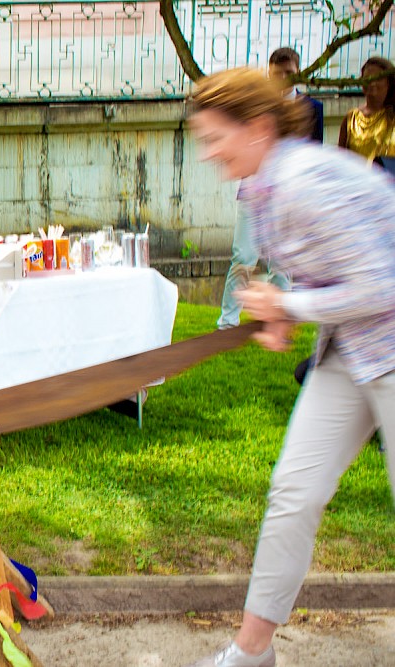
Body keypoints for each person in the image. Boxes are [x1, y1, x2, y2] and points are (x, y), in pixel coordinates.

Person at [185, 67, 395, 667]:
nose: (209, 153)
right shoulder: (263, 186)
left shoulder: (303, 179)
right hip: (350, 348)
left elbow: (382, 284)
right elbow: (327, 271)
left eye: (214, 138)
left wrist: (289, 304)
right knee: (293, 494)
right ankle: (251, 655)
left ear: (255, 127)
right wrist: (285, 314)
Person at [216, 47, 323, 330]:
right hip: (253, 192)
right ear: (269, 73)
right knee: (243, 257)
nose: (283, 78)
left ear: (298, 73)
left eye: (289, 73)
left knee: (284, 263)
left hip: (291, 197)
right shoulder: (254, 106)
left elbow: (314, 153)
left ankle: (277, 321)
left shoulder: (313, 109)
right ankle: (228, 321)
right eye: (278, 73)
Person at [338, 56, 395, 165]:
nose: (372, 83)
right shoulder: (351, 118)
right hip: (357, 180)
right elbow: (341, 159)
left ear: (389, 82)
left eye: (378, 78)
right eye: (368, 78)